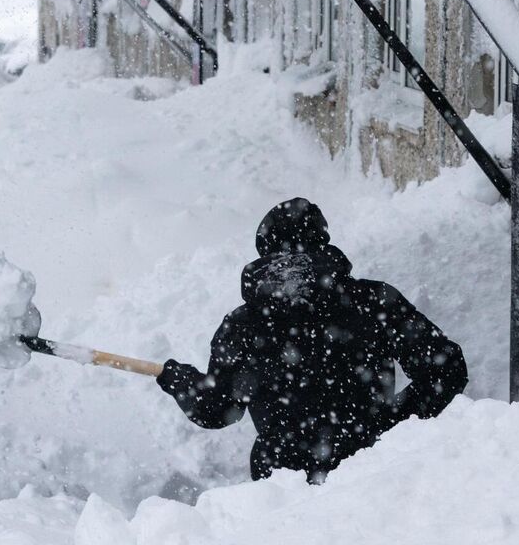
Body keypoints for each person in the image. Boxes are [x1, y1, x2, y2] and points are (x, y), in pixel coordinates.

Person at [156, 198, 467, 482]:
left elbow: (217, 409)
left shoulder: (243, 325)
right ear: (321, 239)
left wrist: (181, 380)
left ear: (265, 250)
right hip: (376, 471)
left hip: (284, 486)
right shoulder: (373, 300)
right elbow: (446, 370)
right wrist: (395, 425)